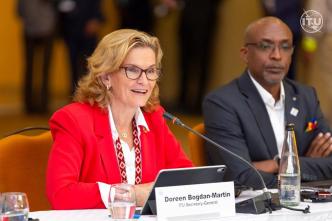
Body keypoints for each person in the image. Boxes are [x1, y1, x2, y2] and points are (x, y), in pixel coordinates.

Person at [46, 29, 193, 209]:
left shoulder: (153, 118)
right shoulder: (74, 120)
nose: (144, 80)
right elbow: (61, 194)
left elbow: (186, 178)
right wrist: (131, 195)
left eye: (151, 71)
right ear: (105, 75)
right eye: (132, 70)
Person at [203, 17, 332, 189]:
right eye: (265, 46)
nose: (277, 56)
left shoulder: (305, 95)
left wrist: (279, 164)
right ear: (245, 54)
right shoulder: (222, 103)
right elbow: (241, 177)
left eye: (285, 47)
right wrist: (303, 167)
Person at [56, 0, 104, 94]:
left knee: (90, 65)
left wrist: (95, 19)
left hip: (88, 30)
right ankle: (75, 94)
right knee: (72, 64)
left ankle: (89, 94)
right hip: (70, 29)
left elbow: (97, 4)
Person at [17, 0, 57, 113]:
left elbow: (19, 11)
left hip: (35, 30)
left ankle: (32, 104)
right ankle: (40, 103)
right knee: (42, 68)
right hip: (44, 30)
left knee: (32, 68)